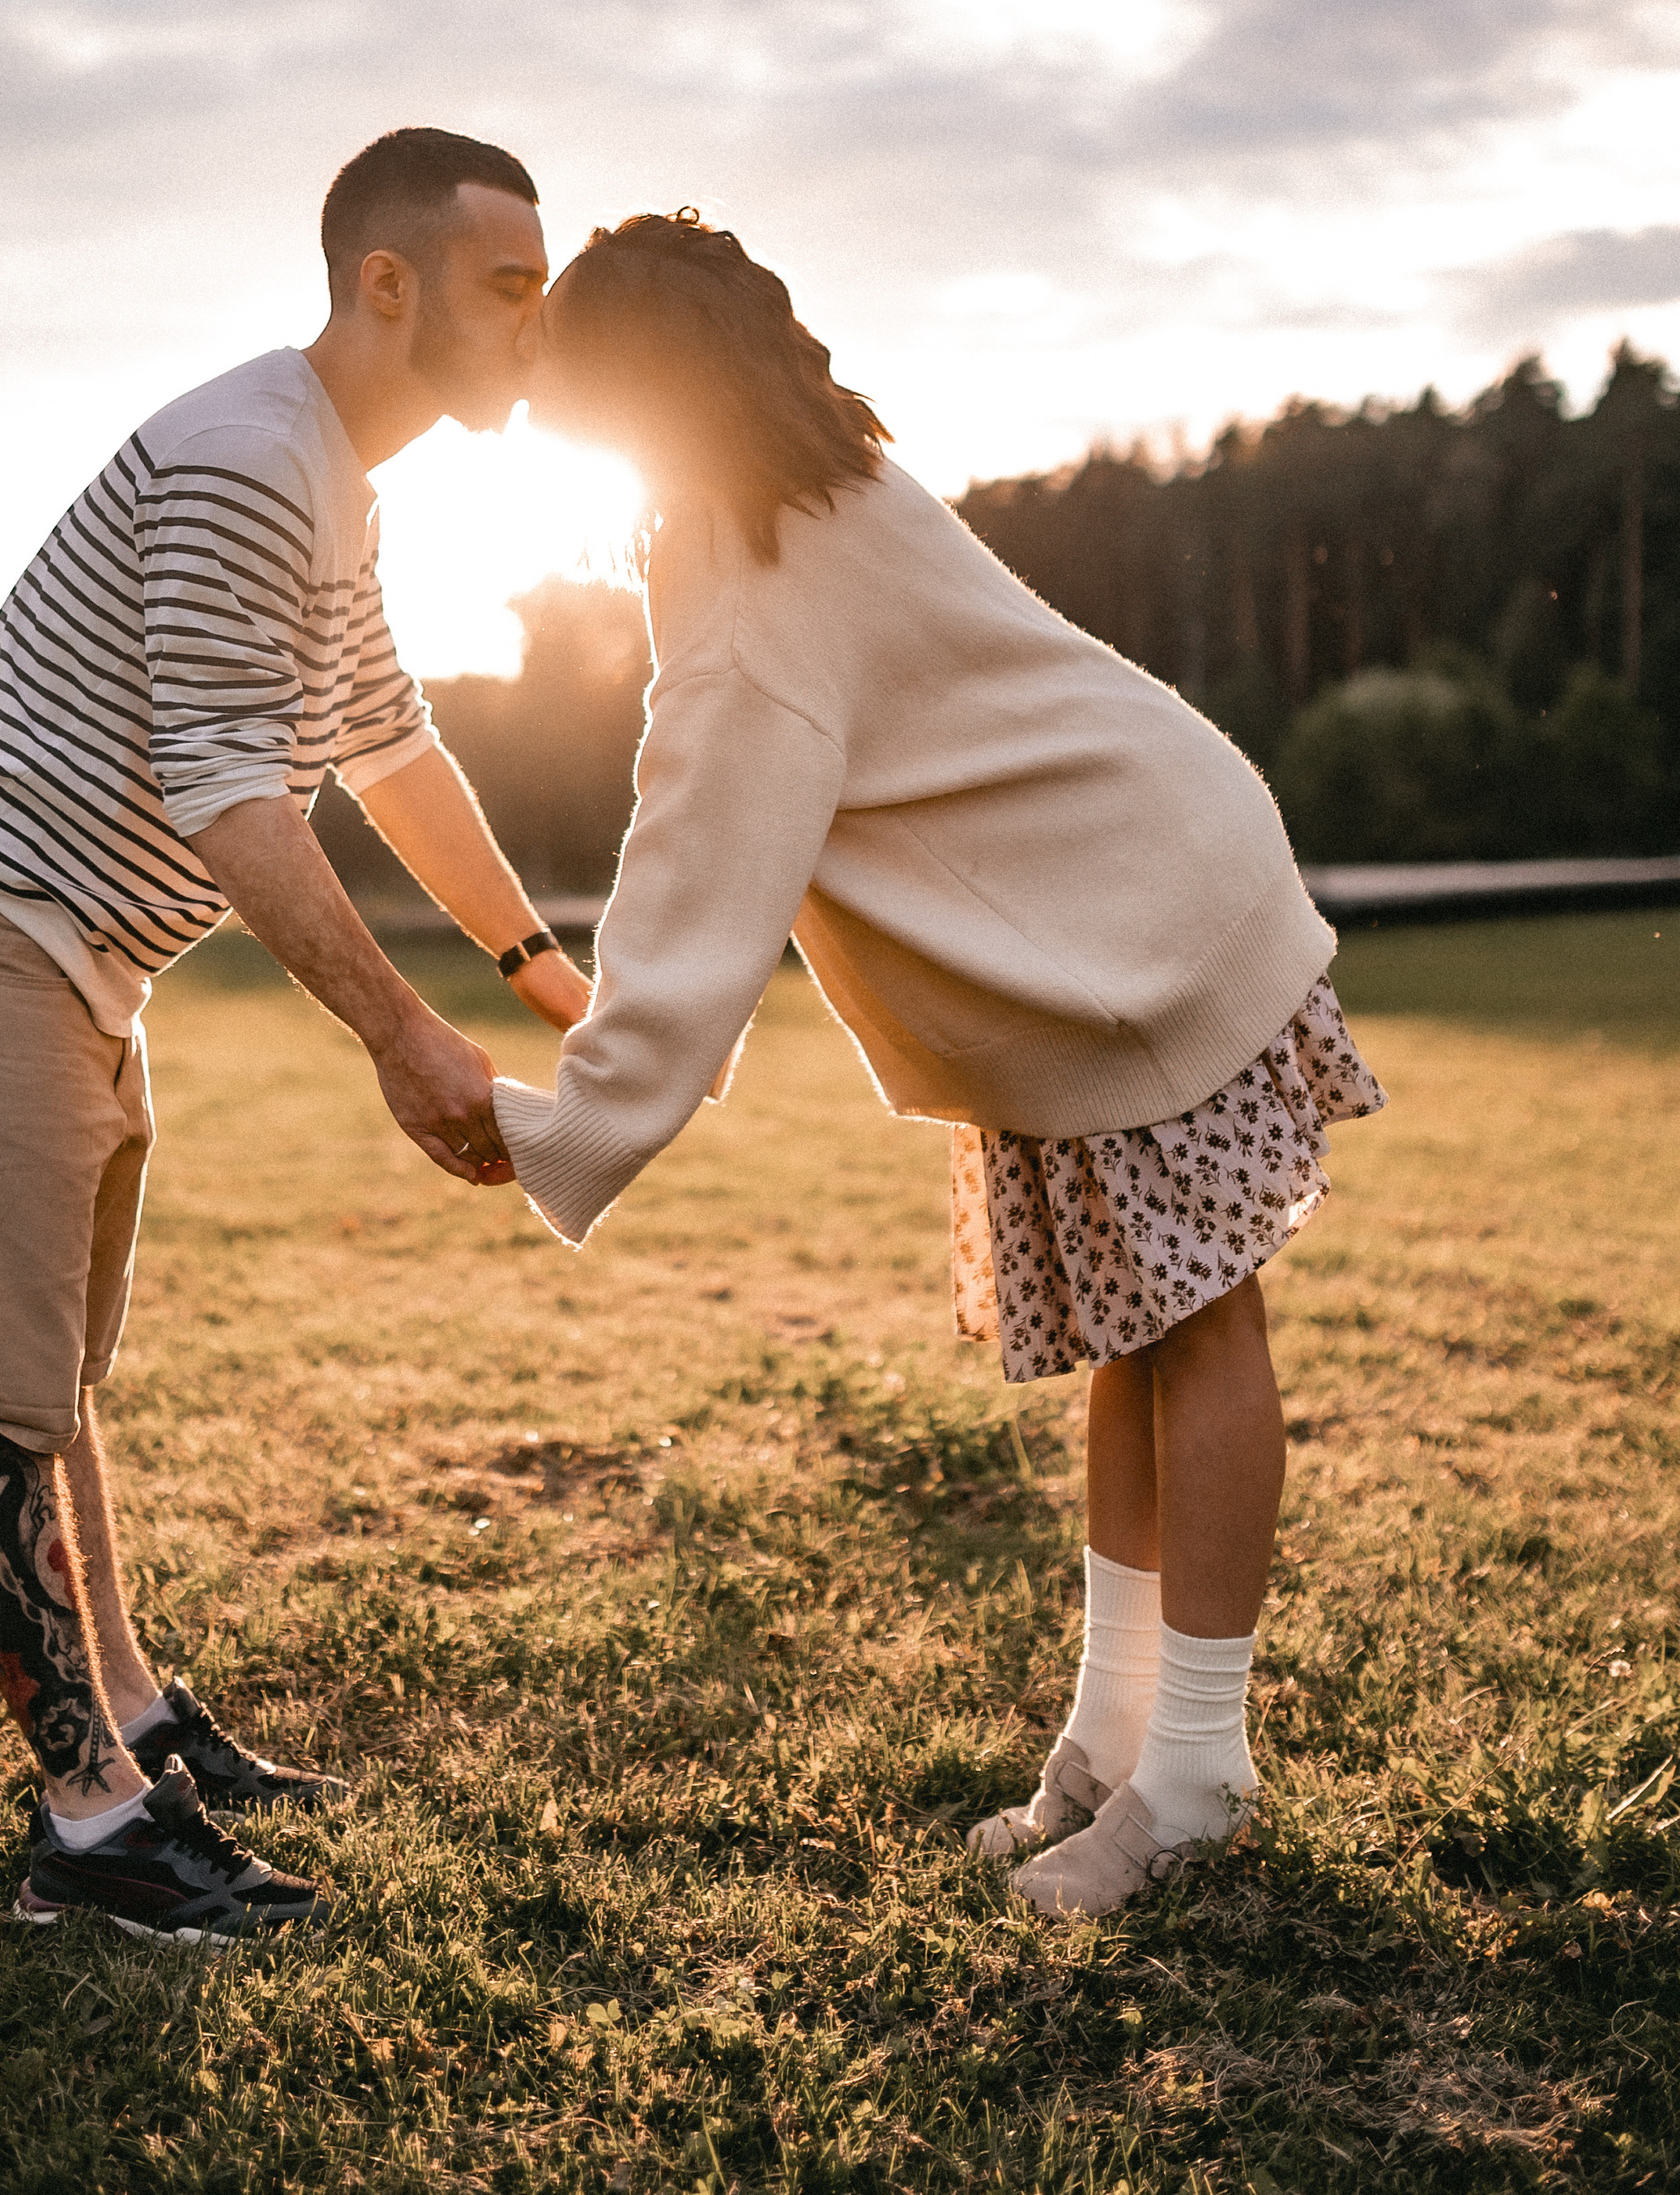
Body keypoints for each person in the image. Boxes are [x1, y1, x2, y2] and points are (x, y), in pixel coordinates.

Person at [487, 210, 1384, 1922]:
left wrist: (567, 1119)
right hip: (1106, 919)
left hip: (1128, 936)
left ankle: (1190, 1774)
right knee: (1140, 1336)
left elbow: (694, 868)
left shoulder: (750, 574)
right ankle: (1112, 1742)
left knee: (1195, 1334)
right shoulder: (829, 479)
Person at [0, 128, 591, 1943]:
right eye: (508, 285)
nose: (536, 324)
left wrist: (539, 970)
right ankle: (90, 1834)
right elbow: (241, 797)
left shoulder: (341, 481)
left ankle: (137, 1721)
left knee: (56, 1378)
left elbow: (386, 747)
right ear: (384, 284)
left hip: (75, 953)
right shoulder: (255, 462)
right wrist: (406, 1040)